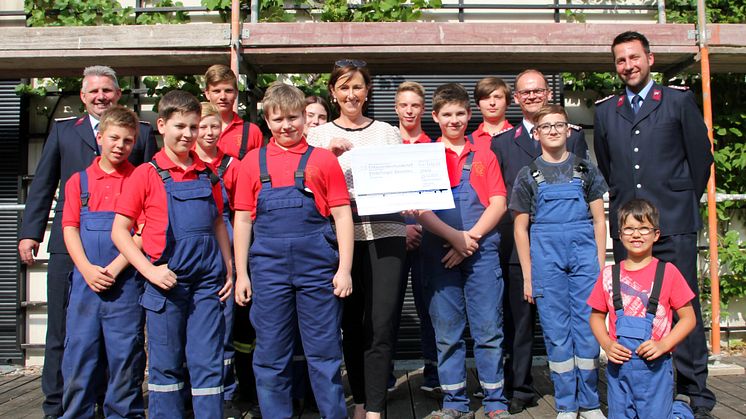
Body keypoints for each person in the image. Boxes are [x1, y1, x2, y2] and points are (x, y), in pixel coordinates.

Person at [18, 65, 157, 419]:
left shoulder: (139, 134)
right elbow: (45, 183)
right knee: (64, 334)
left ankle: (110, 405)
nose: (100, 97)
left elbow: (148, 195)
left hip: (122, 252)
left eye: (107, 91)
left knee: (120, 341)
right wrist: (30, 232)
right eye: (93, 91)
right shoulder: (65, 131)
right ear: (83, 96)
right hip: (72, 249)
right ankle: (57, 406)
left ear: (118, 94)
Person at [593, 30, 716, 418]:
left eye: (634, 57)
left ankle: (695, 393)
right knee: (632, 309)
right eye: (620, 60)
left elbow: (701, 160)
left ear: (650, 59)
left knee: (683, 308)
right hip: (630, 231)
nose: (628, 66)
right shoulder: (604, 110)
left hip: (674, 224)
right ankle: (639, 385)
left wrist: (677, 204)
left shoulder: (678, 101)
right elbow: (610, 166)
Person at [233, 81, 353, 419]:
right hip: (268, 270)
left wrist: (343, 269)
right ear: (267, 121)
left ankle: (333, 414)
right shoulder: (251, 163)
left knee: (324, 352)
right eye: (278, 119)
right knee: (270, 353)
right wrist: (242, 274)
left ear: (304, 118)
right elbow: (242, 221)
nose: (287, 125)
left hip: (317, 268)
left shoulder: (323, 161)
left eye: (294, 118)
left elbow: (342, 215)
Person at [112, 90, 233, 419]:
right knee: (166, 367)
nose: (189, 134)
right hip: (165, 284)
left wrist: (230, 268)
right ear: (162, 125)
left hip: (208, 283)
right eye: (181, 126)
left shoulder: (207, 174)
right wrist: (150, 272)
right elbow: (120, 232)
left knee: (208, 362)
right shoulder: (146, 174)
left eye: (194, 127)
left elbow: (219, 222)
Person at [306, 59, 406, 419]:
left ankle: (376, 409)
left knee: (381, 324)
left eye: (358, 87)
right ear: (333, 92)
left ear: (367, 91)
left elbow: (402, 183)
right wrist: (326, 159)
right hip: (338, 240)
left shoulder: (387, 132)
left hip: (386, 233)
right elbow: (307, 192)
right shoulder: (315, 137)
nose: (351, 94)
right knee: (351, 324)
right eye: (344, 87)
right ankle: (360, 402)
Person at [490, 69, 588, 414]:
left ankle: (577, 389)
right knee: (518, 321)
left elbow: (584, 187)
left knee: (569, 320)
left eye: (537, 91)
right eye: (524, 93)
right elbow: (497, 194)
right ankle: (521, 387)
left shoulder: (573, 137)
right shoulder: (501, 142)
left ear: (547, 94)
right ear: (516, 99)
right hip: (517, 245)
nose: (531, 96)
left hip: (563, 244)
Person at [418, 83, 509, 419]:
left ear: (469, 115)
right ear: (436, 117)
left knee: (488, 329)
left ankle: (494, 400)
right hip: (438, 253)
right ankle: (454, 401)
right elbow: (420, 209)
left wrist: (467, 239)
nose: (454, 120)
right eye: (447, 114)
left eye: (459, 113)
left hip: (481, 251)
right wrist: (454, 238)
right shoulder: (425, 156)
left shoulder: (485, 155)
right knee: (447, 331)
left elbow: (498, 203)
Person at [511, 104, 607, 419]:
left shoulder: (585, 169)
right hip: (545, 260)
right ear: (536, 133)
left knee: (588, 328)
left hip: (584, 260)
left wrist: (600, 264)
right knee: (556, 332)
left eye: (559, 124)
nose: (553, 130)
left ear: (569, 130)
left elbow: (598, 221)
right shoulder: (528, 175)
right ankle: (566, 404)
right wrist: (527, 275)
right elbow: (520, 228)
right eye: (546, 126)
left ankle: (590, 403)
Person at [60, 106, 145, 419]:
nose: (120, 145)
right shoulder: (77, 182)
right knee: (79, 355)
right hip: (86, 284)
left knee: (126, 358)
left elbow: (143, 232)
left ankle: (124, 414)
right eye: (114, 138)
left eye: (127, 140)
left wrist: (114, 268)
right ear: (99, 137)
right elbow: (69, 228)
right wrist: (85, 268)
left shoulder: (141, 178)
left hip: (124, 285)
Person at [588, 198, 696, 419]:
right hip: (619, 371)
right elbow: (596, 317)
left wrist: (664, 344)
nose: (636, 235)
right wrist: (607, 344)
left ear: (656, 234)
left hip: (656, 371)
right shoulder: (609, 275)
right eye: (629, 229)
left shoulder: (668, 273)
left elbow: (688, 318)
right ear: (619, 234)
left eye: (644, 228)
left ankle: (681, 411)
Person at [204, 64, 261, 411]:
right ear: (207, 93)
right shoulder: (193, 127)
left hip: (237, 222)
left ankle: (240, 386)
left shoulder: (249, 132)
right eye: (218, 91)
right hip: (197, 229)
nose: (224, 97)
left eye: (230, 91)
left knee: (239, 313)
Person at [390, 81, 440, 395]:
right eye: (404, 105)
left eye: (415, 106)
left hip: (426, 237)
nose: (409, 111)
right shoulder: (385, 143)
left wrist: (421, 226)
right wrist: (401, 226)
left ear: (423, 110)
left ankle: (435, 374)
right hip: (391, 235)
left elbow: (437, 194)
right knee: (387, 309)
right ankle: (383, 376)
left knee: (430, 308)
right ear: (395, 108)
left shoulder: (433, 146)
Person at [195, 102, 243, 419]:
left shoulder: (233, 165)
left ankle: (226, 391)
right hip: (196, 240)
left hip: (226, 233)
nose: (210, 132)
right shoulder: (186, 163)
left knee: (225, 320)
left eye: (214, 126)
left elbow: (242, 212)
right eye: (203, 126)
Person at [203, 64, 263, 160]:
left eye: (228, 91)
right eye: (216, 91)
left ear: (236, 93)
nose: (223, 97)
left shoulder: (252, 132)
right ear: (207, 94)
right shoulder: (194, 130)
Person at [470, 76, 513, 149]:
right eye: (486, 98)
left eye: (497, 97)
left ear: (507, 103)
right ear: (478, 104)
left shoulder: (518, 137)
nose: (492, 103)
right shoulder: (469, 142)